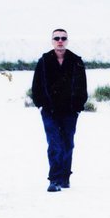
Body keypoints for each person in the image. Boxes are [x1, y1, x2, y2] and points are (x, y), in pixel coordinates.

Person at [31, 28, 88, 193]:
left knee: (68, 143)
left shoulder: (76, 61)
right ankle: (54, 179)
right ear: (52, 41)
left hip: (70, 111)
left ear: (67, 41)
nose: (60, 41)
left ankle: (65, 178)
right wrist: (40, 105)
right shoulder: (44, 61)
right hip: (49, 111)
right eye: (57, 38)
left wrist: (78, 107)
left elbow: (82, 86)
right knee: (55, 143)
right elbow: (36, 86)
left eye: (63, 38)